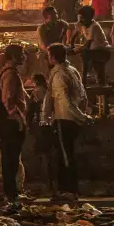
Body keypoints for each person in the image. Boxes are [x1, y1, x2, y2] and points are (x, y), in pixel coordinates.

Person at [43, 42, 91, 202]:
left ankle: (69, 190)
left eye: (49, 55)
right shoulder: (72, 70)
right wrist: (82, 114)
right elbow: (83, 95)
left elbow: (63, 100)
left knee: (65, 156)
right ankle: (68, 189)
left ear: (53, 57)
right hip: (72, 118)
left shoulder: (59, 74)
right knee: (66, 154)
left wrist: (79, 116)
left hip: (64, 118)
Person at [0, 44, 29, 214]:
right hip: (11, 122)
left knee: (12, 159)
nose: (24, 56)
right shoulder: (10, 75)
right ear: (14, 56)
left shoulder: (9, 73)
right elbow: (8, 100)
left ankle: (12, 192)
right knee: (10, 159)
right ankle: (11, 194)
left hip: (11, 121)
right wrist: (18, 119)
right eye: (22, 54)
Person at [70, 4, 112, 92]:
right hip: (92, 51)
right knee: (85, 55)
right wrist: (72, 45)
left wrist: (74, 51)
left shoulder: (94, 26)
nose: (81, 20)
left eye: (83, 18)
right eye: (80, 17)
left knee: (85, 54)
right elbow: (73, 36)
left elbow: (87, 45)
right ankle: (86, 79)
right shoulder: (82, 24)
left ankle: (84, 80)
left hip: (102, 52)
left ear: (90, 17)